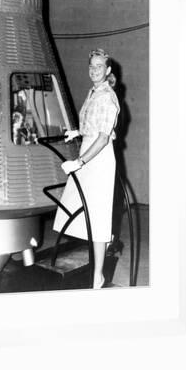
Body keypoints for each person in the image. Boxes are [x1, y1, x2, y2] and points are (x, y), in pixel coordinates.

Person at [53, 48, 120, 289]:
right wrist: (77, 132)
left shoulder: (107, 97)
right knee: (83, 213)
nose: (94, 70)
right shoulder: (93, 92)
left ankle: (98, 276)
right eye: (91, 66)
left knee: (98, 218)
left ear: (108, 70)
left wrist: (80, 162)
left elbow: (103, 139)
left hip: (98, 159)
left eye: (99, 66)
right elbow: (92, 126)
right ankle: (97, 264)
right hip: (88, 152)